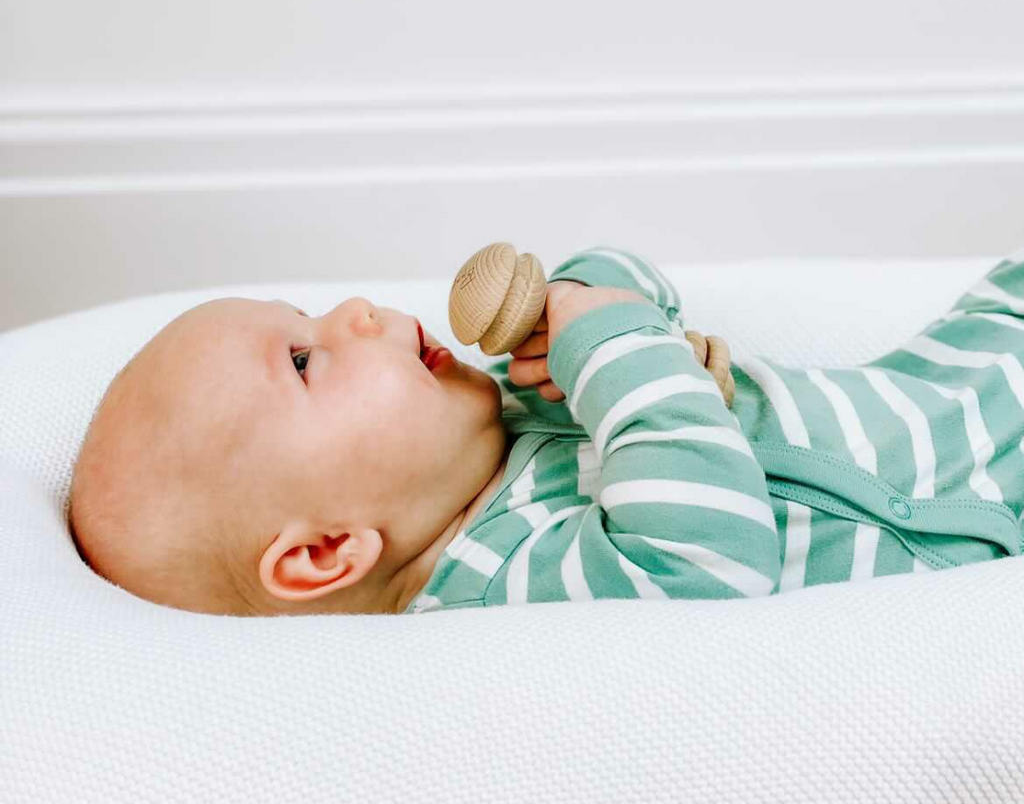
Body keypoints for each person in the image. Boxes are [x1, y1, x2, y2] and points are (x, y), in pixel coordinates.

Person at [67, 244, 1024, 616]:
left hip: (932, 401)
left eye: (311, 312)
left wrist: (577, 300)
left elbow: (637, 290)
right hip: (969, 528)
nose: (357, 308)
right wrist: (614, 350)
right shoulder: (497, 589)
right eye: (305, 360)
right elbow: (704, 557)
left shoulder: (494, 411)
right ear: (324, 552)